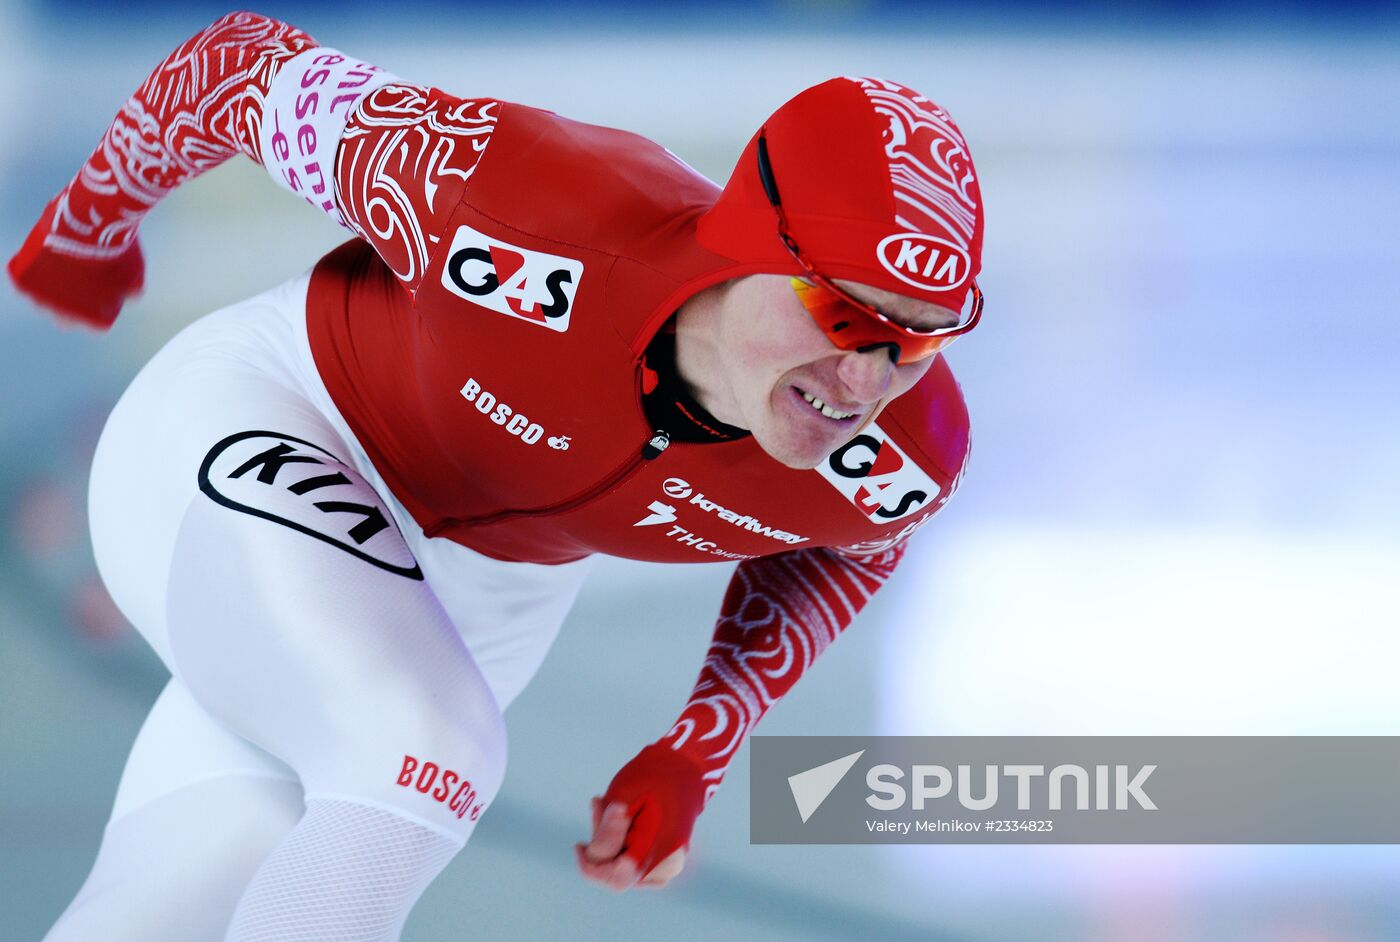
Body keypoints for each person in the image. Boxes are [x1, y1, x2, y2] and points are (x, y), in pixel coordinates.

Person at [8, 10, 984, 941]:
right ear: (749, 243)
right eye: (843, 315)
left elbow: (842, 554)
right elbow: (238, 66)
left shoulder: (904, 457)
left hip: (482, 595)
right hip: (282, 419)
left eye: (918, 337)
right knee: (421, 754)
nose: (866, 379)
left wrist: (698, 748)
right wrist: (88, 228)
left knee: (177, 901)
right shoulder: (516, 201)